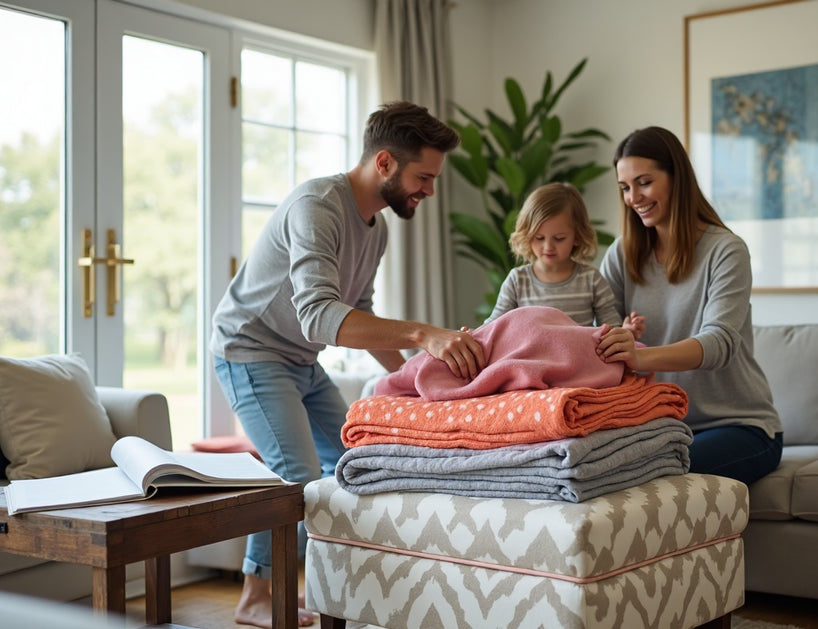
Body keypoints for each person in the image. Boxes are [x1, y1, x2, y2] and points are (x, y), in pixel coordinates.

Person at [209, 101, 487, 628]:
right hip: (252, 350)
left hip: (300, 359)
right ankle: (254, 597)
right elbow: (318, 316)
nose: (428, 189)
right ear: (385, 163)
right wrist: (424, 335)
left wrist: (414, 379)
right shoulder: (317, 207)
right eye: (423, 176)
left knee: (352, 465)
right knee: (294, 477)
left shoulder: (376, 228)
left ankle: (350, 589)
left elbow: (358, 315)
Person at [595, 125, 782, 486]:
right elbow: (598, 331)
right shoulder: (622, 254)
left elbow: (719, 343)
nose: (633, 197)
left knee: (650, 473)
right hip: (659, 427)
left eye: (644, 182)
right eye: (624, 187)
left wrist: (640, 356)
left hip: (739, 426)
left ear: (676, 177)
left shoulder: (726, 250)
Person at [484, 182, 645, 338]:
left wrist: (626, 332)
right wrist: (469, 336)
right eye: (539, 238)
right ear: (527, 235)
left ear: (577, 236)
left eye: (559, 238)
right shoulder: (517, 280)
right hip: (531, 362)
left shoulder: (591, 280)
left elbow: (610, 330)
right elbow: (493, 326)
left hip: (579, 361)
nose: (548, 247)